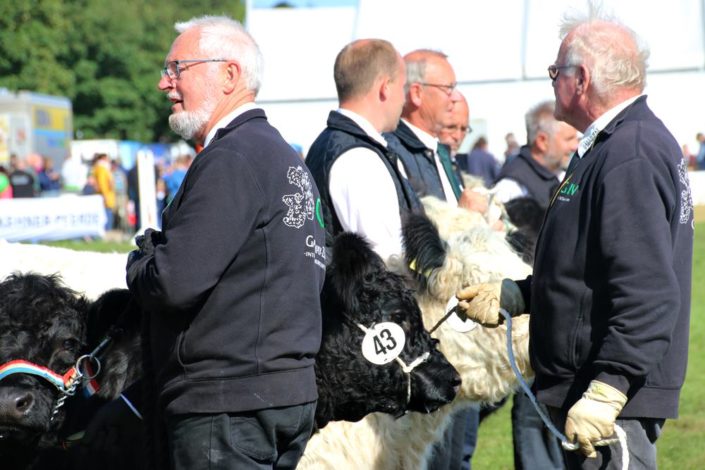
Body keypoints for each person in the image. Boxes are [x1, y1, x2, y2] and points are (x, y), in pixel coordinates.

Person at [456, 10, 694, 470]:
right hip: (587, 387)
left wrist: (609, 389)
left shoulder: (631, 152)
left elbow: (648, 293)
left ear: (581, 78)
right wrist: (519, 295)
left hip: (609, 405)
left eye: (556, 71)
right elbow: (586, 271)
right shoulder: (615, 145)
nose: (552, 80)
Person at [126, 15, 325, 470]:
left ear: (229, 74)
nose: (164, 83)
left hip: (228, 402)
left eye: (178, 68)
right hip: (277, 394)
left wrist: (141, 259)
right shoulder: (280, 156)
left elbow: (173, 281)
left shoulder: (232, 157)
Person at [305, 38, 420, 260]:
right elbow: (388, 264)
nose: (404, 99)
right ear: (385, 87)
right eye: (402, 87)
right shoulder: (359, 161)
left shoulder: (331, 144)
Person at [385, 49, 465, 206]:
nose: (455, 98)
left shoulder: (440, 152)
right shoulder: (391, 153)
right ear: (417, 93)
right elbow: (412, 225)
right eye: (449, 88)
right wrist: (469, 215)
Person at [493, 100, 579, 208]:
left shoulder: (564, 172)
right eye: (569, 139)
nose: (575, 146)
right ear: (542, 141)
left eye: (576, 138)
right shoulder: (512, 187)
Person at [91, 153, 116, 230]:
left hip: (106, 195)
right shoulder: (101, 168)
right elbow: (102, 183)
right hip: (106, 196)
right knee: (107, 215)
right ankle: (107, 231)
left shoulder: (101, 168)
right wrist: (105, 195)